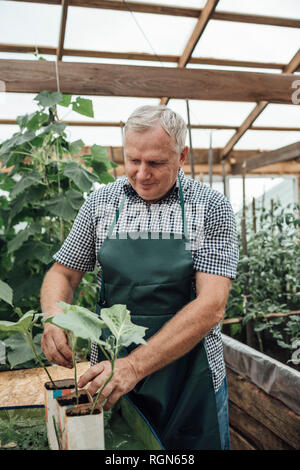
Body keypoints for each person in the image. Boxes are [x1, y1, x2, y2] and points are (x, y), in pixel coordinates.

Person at [40, 105, 239, 450]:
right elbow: (63, 273)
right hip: (109, 377)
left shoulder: (210, 206)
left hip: (189, 382)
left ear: (182, 156)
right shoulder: (101, 202)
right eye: (133, 160)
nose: (142, 173)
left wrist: (133, 367)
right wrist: (54, 318)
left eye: (156, 163)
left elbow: (211, 306)